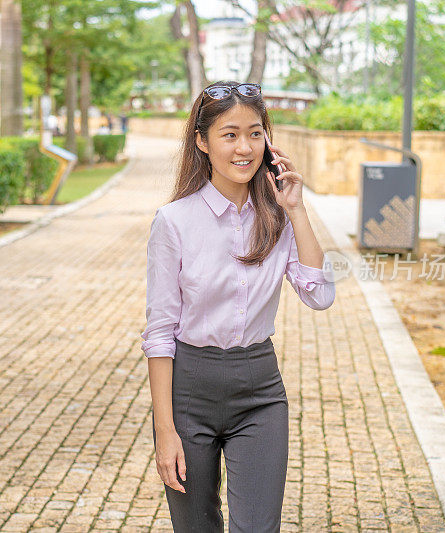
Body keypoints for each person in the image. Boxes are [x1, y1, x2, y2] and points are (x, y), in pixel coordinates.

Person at [140, 80, 336, 532]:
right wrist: (165, 430)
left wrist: (297, 211)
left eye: (254, 132)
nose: (244, 147)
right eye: (229, 134)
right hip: (189, 393)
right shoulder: (174, 222)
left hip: (259, 391)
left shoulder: (278, 217)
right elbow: (159, 332)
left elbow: (319, 295)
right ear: (203, 142)